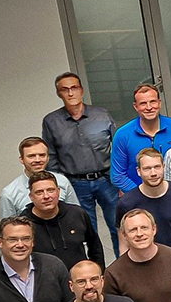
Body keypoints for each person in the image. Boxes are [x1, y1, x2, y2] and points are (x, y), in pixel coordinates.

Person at [42, 72, 119, 251]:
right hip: (76, 184)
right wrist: (60, 186)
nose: (70, 93)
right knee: (86, 233)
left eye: (74, 88)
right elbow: (51, 156)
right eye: (65, 89)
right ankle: (95, 273)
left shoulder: (102, 115)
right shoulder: (51, 121)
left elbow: (117, 148)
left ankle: (121, 270)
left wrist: (118, 179)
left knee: (118, 227)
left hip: (107, 181)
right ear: (58, 93)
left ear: (82, 90)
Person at [114, 149, 171, 261]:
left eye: (157, 167)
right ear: (138, 171)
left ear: (163, 167)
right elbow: (124, 245)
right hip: (145, 266)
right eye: (147, 169)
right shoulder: (126, 203)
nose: (153, 173)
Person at [23, 171, 103, 272]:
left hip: (79, 281)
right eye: (39, 192)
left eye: (50, 190)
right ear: (31, 197)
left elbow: (95, 247)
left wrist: (98, 273)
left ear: (58, 191)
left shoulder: (77, 214)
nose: (46, 196)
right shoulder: (24, 224)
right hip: (45, 283)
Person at [110, 84, 171, 192]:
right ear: (135, 106)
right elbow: (118, 175)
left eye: (153, 102)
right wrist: (140, 195)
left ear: (159, 103)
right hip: (139, 199)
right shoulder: (123, 135)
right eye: (143, 103)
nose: (149, 107)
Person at [0, 137, 82, 219]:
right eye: (31, 156)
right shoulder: (10, 193)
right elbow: (7, 228)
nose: (38, 160)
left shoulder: (62, 182)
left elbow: (76, 215)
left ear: (48, 157)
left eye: (42, 155)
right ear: (22, 159)